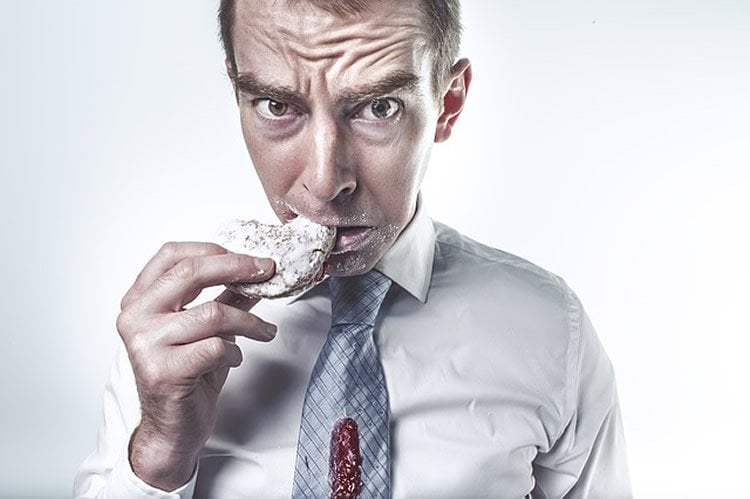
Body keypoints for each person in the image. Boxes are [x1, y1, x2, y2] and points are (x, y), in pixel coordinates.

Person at [75, 0, 632, 497]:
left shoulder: (552, 330)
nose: (324, 180)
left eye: (378, 108)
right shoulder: (174, 328)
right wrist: (157, 460)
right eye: (275, 105)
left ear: (448, 103)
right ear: (238, 93)